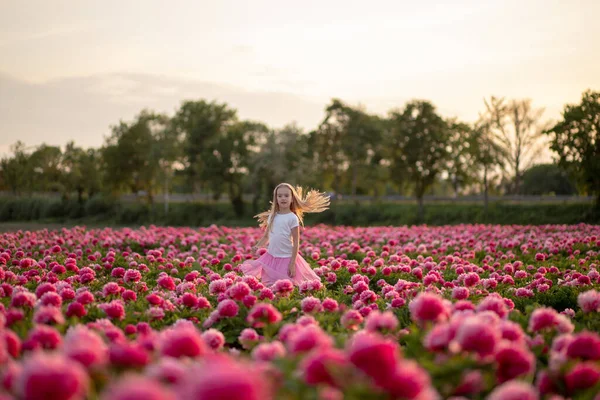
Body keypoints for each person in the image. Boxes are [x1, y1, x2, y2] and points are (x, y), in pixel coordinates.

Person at [240, 183, 330, 286]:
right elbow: (266, 236)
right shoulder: (272, 216)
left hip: (286, 258)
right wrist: (257, 246)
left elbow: (296, 242)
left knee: (285, 288)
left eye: (286, 196)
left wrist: (292, 263)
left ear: (292, 198)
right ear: (276, 199)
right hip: (271, 258)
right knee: (269, 285)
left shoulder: (292, 218)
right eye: (280, 196)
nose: (283, 198)